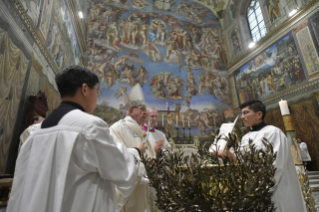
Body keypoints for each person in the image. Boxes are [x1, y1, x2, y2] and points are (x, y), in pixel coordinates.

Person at [7, 66, 146, 212]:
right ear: (85, 89)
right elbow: (121, 169)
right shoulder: (90, 126)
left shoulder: (35, 132)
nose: (97, 98)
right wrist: (136, 151)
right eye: (96, 92)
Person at [216, 100, 306, 212]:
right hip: (254, 189)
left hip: (275, 190)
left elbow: (274, 165)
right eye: (242, 113)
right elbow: (243, 162)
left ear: (259, 114)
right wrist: (230, 156)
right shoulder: (246, 137)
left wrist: (256, 188)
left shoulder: (273, 132)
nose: (242, 117)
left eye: (246, 113)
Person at [110, 83, 156, 212]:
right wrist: (146, 167)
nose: (145, 112)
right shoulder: (117, 129)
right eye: (142, 109)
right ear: (131, 111)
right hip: (131, 194)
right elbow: (116, 161)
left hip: (144, 189)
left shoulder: (141, 132)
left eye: (145, 109)